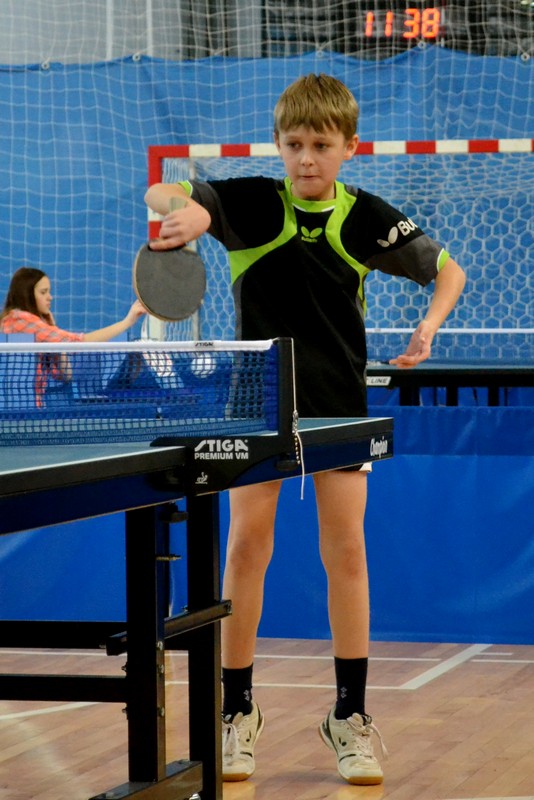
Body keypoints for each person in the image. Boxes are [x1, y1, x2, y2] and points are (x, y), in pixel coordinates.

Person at [144, 73, 466, 786]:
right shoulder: (253, 203)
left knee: (346, 553)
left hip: (338, 408)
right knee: (246, 549)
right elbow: (167, 192)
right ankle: (236, 711)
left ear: (350, 147)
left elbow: (448, 271)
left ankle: (349, 715)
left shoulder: (366, 217)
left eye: (321, 145)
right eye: (294, 144)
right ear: (279, 144)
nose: (306, 158)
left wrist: (430, 325)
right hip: (256, 407)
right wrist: (184, 212)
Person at [1, 266, 146, 402]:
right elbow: (80, 342)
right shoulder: (22, 320)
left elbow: (65, 375)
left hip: (30, 406)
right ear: (27, 295)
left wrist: (52, 328)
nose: (50, 297)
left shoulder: (22, 322)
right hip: (19, 408)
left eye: (49, 292)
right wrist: (127, 321)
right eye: (43, 292)